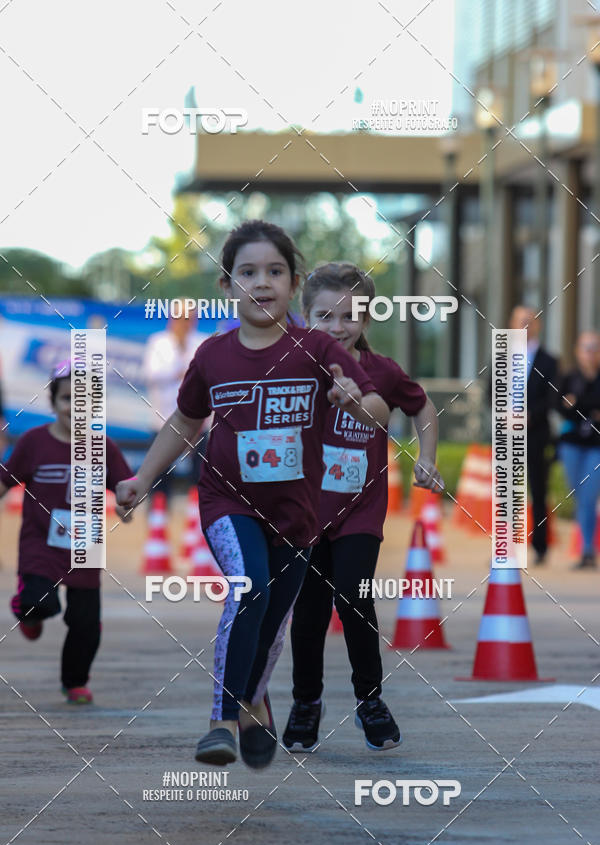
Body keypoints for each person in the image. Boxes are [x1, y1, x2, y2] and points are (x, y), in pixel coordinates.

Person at [116, 220, 390, 768]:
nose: (260, 283)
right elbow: (184, 422)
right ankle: (221, 722)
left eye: (274, 271)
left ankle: (253, 702)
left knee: (271, 625)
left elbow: (375, 405)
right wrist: (142, 479)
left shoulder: (317, 345)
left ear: (294, 284)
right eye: (247, 272)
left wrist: (351, 397)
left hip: (299, 516)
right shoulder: (212, 358)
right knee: (248, 590)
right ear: (227, 285)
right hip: (228, 499)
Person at [282, 263, 444, 754]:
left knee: (354, 598)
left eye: (350, 316)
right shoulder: (290, 366)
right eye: (325, 316)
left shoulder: (381, 373)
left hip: (359, 510)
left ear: (368, 319)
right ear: (304, 316)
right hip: (303, 512)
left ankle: (370, 701)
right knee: (308, 613)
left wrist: (428, 459)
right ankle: (306, 703)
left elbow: (422, 407)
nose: (337, 326)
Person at [0, 361, 133, 703]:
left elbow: (127, 488)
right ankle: (27, 611)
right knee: (37, 603)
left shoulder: (104, 447)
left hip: (85, 547)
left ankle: (74, 681)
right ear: (53, 401)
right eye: (66, 399)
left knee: (85, 623)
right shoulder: (33, 443)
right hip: (40, 544)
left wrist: (126, 504)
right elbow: (5, 481)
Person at [507, 306, 558, 565]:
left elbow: (552, 398)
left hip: (536, 434)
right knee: (508, 491)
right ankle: (506, 545)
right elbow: (491, 390)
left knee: (538, 490)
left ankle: (539, 547)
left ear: (537, 325)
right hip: (507, 433)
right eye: (520, 321)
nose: (525, 326)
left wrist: (529, 415)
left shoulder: (550, 361)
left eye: (529, 321)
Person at [142, 304, 208, 501]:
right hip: (163, 420)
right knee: (159, 475)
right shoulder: (158, 342)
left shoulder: (202, 342)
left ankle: (195, 523)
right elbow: (151, 375)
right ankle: (158, 523)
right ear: (171, 319)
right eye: (179, 318)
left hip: (198, 421)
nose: (183, 323)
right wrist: (177, 368)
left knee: (200, 475)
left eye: (188, 318)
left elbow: (206, 378)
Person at [556, 331, 600, 569]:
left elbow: (573, 404)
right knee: (578, 493)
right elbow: (561, 407)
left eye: (594, 347)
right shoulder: (569, 377)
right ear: (577, 350)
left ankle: (587, 550)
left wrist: (578, 404)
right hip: (572, 443)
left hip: (596, 446)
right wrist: (588, 409)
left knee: (588, 495)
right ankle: (587, 547)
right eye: (586, 347)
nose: (590, 353)